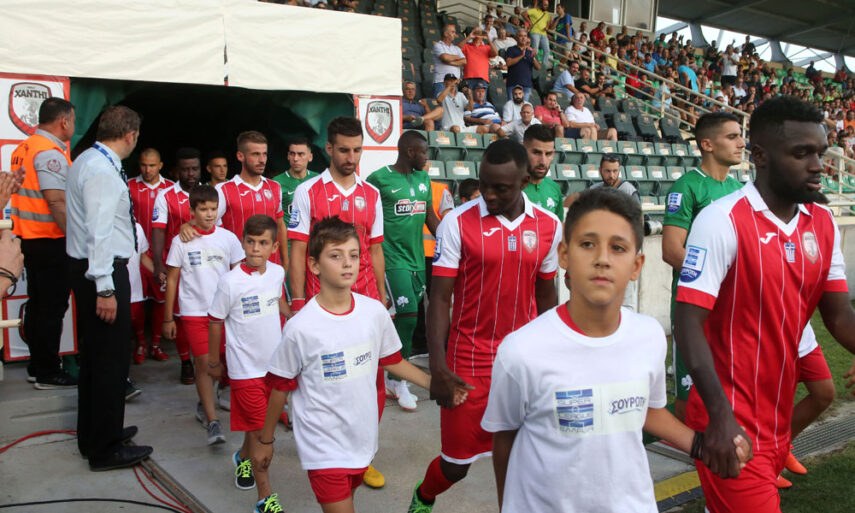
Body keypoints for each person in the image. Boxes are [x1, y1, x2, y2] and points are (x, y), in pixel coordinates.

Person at [482, 187, 749, 513]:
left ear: (636, 265)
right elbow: (505, 436)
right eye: (587, 244)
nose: (602, 259)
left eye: (618, 248)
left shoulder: (649, 336)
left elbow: (644, 409)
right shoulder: (521, 351)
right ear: (564, 255)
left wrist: (701, 446)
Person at [674, 96, 855, 513]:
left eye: (820, 153)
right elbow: (687, 322)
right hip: (730, 418)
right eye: (801, 153)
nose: (817, 166)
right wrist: (720, 417)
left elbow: (839, 314)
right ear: (760, 156)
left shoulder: (822, 223)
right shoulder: (722, 219)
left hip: (777, 417)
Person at [254, 217, 461, 513]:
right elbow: (279, 387)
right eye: (335, 256)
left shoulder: (374, 313)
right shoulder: (301, 328)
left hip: (362, 441)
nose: (347, 264)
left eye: (353, 255)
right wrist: (265, 440)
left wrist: (435, 384)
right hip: (323, 448)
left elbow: (392, 361)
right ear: (314, 265)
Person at [408, 139, 561, 513]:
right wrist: (438, 367)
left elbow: (546, 297)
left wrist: (555, 358)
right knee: (456, 465)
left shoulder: (548, 226)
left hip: (522, 362)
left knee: (525, 458)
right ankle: (423, 497)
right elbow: (440, 299)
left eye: (501, 188)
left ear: (524, 181)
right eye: (484, 184)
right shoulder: (457, 223)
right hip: (469, 359)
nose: (489, 195)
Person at [288, 116, 387, 488]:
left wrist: (381, 298)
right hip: (323, 305)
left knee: (373, 381)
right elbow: (298, 249)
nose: (351, 157)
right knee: (330, 383)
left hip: (365, 302)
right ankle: (331, 454)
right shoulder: (308, 192)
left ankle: (364, 456)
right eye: (344, 150)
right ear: (328, 148)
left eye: (357, 150)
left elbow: (375, 250)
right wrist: (298, 299)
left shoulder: (371, 194)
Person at [66, 105, 153, 471]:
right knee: (110, 362)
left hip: (90, 269)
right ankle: (105, 448)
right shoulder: (102, 170)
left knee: (95, 359)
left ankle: (96, 434)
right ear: (130, 135)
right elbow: (99, 232)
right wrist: (105, 288)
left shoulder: (87, 159)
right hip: (101, 273)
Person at [660, 112, 745, 422]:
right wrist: (719, 277)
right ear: (707, 144)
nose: (741, 143)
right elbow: (672, 251)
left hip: (731, 305)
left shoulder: (739, 189)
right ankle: (664, 437)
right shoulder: (687, 186)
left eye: (741, 135)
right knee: (689, 394)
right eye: (732, 137)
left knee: (729, 386)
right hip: (694, 306)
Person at [206, 214, 287, 509]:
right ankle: (264, 499)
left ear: (274, 247)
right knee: (262, 435)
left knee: (259, 427)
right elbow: (215, 321)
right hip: (244, 370)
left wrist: (295, 316)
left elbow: (277, 301)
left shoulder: (277, 273)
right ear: (242, 243)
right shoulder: (229, 282)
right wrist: (214, 361)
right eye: (250, 242)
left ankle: (242, 458)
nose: (255, 248)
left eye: (263, 243)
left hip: (274, 368)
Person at [163, 185, 244, 446]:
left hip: (225, 314)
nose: (209, 214)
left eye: (213, 209)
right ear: (192, 211)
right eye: (203, 209)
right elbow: (172, 280)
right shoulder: (181, 241)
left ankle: (206, 400)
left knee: (221, 363)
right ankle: (212, 420)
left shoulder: (228, 239)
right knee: (203, 363)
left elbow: (239, 276)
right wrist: (168, 317)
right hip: (194, 312)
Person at [366, 132, 441, 411]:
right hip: (391, 258)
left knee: (405, 318)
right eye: (423, 152)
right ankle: (399, 380)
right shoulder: (379, 179)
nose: (427, 157)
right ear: (410, 152)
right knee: (409, 316)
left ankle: (387, 370)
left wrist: (449, 239)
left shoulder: (423, 179)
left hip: (417, 260)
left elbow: (429, 215)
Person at [10, 97, 76, 389]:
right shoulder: (49, 153)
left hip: (28, 238)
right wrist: (74, 238)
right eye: (73, 121)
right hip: (50, 239)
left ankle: (38, 366)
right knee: (50, 308)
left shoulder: (24, 148)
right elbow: (56, 201)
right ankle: (48, 371)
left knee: (38, 305)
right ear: (64, 121)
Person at [151, 148, 203, 382]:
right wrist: (158, 264)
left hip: (205, 265)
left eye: (194, 169)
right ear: (176, 171)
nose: (190, 174)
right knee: (181, 316)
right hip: (178, 266)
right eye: (185, 169)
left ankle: (206, 360)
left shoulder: (210, 193)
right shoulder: (165, 196)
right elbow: (158, 230)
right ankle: (185, 362)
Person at [215, 131, 289, 267]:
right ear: (240, 156)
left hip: (271, 268)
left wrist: (285, 261)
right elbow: (208, 226)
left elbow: (280, 225)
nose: (262, 160)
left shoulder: (274, 187)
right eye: (255, 154)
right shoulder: (223, 189)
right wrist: (188, 227)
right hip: (238, 269)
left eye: (264, 154)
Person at [128, 148, 174, 365]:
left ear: (161, 165)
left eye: (152, 165)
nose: (147, 170)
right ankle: (140, 343)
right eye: (144, 165)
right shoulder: (128, 186)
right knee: (136, 303)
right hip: (135, 254)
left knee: (161, 300)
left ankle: (155, 344)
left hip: (161, 255)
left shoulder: (171, 188)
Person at [521, 125, 562, 220]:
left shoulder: (554, 188)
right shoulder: (509, 189)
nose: (543, 161)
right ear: (522, 150)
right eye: (536, 153)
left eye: (548, 154)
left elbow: (559, 225)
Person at [273, 137, 318, 219]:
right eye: (292, 154)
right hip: (287, 227)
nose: (295, 159)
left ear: (310, 157)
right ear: (288, 156)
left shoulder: (318, 179)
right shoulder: (276, 182)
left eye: (301, 154)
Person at [505, 29, 540, 102]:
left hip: (526, 85)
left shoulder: (530, 51)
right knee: (512, 106)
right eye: (521, 36)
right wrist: (521, 56)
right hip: (513, 84)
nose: (523, 38)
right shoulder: (511, 49)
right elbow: (508, 63)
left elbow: (538, 67)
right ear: (516, 38)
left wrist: (533, 57)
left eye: (525, 36)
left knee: (524, 107)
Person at [432, 24, 467, 98]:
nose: (455, 35)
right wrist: (457, 57)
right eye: (453, 32)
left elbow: (464, 61)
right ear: (446, 34)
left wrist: (449, 61)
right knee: (440, 104)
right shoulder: (438, 45)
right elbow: (444, 57)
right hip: (441, 82)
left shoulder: (456, 48)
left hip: (454, 84)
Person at [522, 0, 556, 69]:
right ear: (540, 5)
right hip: (535, 32)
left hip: (544, 34)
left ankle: (543, 66)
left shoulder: (547, 14)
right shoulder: (534, 10)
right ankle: (533, 65)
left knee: (547, 50)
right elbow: (523, 14)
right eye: (545, 5)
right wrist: (529, 22)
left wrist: (547, 27)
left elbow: (548, 24)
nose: (546, 6)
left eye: (547, 5)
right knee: (535, 50)